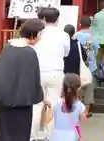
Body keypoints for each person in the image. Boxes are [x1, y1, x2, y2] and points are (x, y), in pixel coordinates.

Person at [0, 19, 44, 141]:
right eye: (40, 34)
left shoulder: (7, 47)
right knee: (20, 134)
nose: (40, 37)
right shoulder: (29, 52)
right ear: (33, 34)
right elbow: (32, 79)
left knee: (5, 133)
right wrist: (39, 96)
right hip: (22, 102)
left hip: (4, 101)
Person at [33, 7, 71, 139]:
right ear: (57, 19)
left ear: (43, 19)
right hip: (56, 71)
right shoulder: (64, 35)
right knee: (54, 104)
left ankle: (33, 136)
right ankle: (51, 135)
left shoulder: (37, 33)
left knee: (37, 105)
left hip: (38, 71)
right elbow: (66, 53)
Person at [43, 73, 86, 141]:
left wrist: (46, 107)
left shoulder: (56, 103)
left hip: (56, 137)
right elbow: (83, 121)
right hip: (72, 137)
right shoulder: (80, 106)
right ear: (78, 89)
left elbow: (46, 120)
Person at [74, 16, 99, 117]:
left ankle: (76, 110)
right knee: (89, 88)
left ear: (80, 24)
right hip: (90, 65)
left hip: (78, 65)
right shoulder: (92, 36)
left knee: (77, 87)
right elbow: (97, 50)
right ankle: (86, 111)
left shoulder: (75, 36)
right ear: (90, 25)